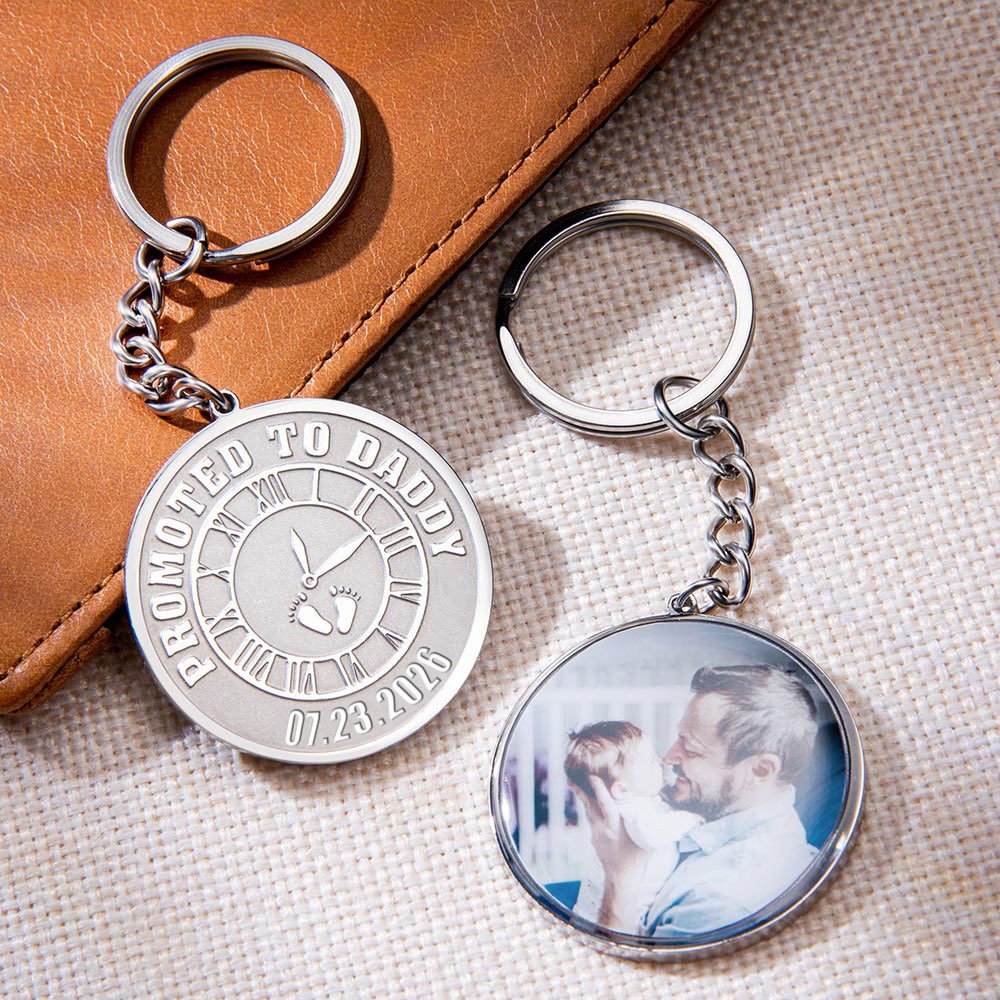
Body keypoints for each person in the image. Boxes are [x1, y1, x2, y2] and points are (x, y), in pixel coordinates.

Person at [574, 665, 819, 937]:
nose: (668, 757)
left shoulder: (721, 902)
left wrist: (619, 878)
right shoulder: (717, 815)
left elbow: (613, 964)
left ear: (760, 770)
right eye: (679, 738)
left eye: (690, 749)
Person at [562, 721, 700, 924]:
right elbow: (653, 836)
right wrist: (691, 819)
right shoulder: (631, 812)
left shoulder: (640, 801)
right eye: (650, 761)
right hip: (624, 915)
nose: (661, 760)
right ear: (622, 789)